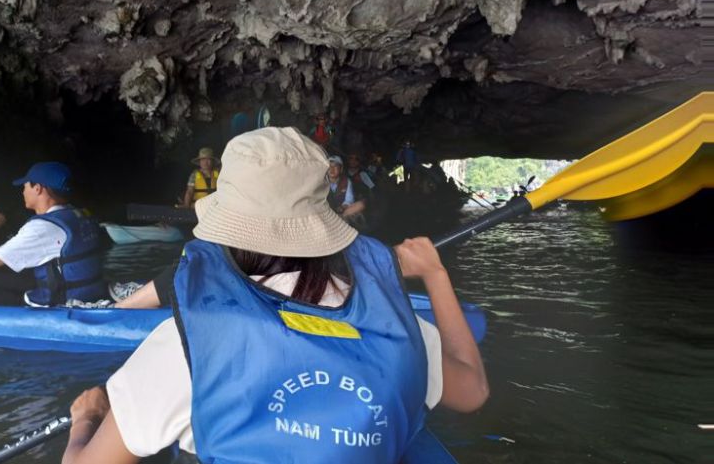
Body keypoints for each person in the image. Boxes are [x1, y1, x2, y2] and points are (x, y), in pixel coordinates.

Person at [62, 127, 488, 464]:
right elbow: (472, 392)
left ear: (228, 229)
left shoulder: (190, 341)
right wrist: (435, 275)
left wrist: (86, 418)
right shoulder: (392, 322)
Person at [0, 162, 107, 307]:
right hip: (83, 291)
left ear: (38, 188)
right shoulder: (79, 214)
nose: (22, 192)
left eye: (25, 186)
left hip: (58, 301)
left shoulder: (41, 228)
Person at [326, 155, 365, 220]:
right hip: (325, 212)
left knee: (361, 204)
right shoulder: (321, 181)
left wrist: (343, 207)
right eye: (329, 166)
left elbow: (349, 200)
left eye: (335, 166)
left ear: (341, 169)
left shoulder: (346, 181)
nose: (332, 169)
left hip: (341, 211)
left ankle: (340, 218)